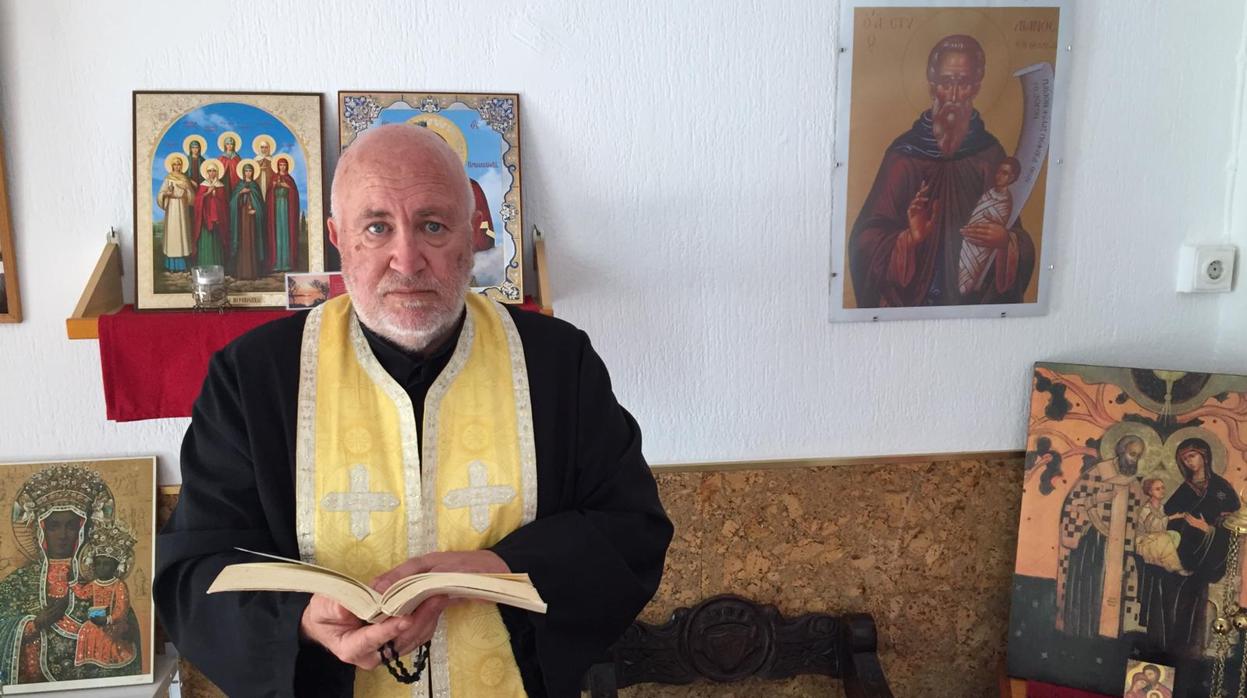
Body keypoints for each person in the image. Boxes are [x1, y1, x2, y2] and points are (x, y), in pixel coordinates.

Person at [155, 123, 672, 697]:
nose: (407, 260)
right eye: (377, 227)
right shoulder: (253, 377)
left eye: (432, 225)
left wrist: (499, 570)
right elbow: (194, 574)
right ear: (337, 238)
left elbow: (631, 531)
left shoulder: (556, 362)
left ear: (472, 235)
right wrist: (300, 620)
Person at [849, 34, 1036, 307]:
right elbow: (865, 241)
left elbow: (1013, 226)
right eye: (947, 82)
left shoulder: (988, 153)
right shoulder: (904, 156)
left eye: (964, 83)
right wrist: (908, 239)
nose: (955, 95)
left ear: (976, 87)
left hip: (970, 302)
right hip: (911, 302)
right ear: (932, 85)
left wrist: (1005, 241)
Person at [0, 465, 141, 684]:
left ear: (82, 529)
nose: (63, 535)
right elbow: (3, 626)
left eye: (71, 526)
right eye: (54, 526)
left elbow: (126, 623)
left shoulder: (99, 574)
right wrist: (35, 623)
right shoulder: (19, 581)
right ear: (41, 529)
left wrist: (119, 628)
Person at [1140, 437, 1239, 656]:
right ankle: (1161, 648)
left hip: (1203, 557)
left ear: (1204, 456)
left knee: (1193, 604)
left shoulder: (1221, 488)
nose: (1189, 463)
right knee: (1167, 602)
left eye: (1192, 456)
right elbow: (1166, 518)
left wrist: (1207, 528)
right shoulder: (1184, 490)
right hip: (1177, 554)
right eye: (1184, 459)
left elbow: (1233, 525)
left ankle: (1187, 652)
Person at [1055, 435, 1146, 639]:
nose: (1133, 460)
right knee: (1089, 584)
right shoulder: (1098, 472)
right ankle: (1081, 632)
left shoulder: (1134, 484)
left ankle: (1108, 633)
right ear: (1121, 451)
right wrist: (1097, 499)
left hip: (1119, 544)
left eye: (1138, 456)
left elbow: (1138, 514)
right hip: (1091, 541)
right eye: (1132, 454)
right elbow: (1074, 503)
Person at [70, 523, 139, 670]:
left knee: (103, 633)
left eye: (106, 565)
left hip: (113, 622)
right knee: (86, 628)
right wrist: (72, 582)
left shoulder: (118, 585)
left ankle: (105, 660)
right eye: (98, 564)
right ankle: (89, 662)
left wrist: (108, 619)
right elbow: (83, 594)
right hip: (96, 617)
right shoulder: (94, 583)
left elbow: (121, 608)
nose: (101, 568)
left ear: (115, 567)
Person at [957, 156, 1020, 296]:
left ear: (1012, 178)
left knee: (967, 280)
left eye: (1004, 173)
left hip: (981, 247)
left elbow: (994, 225)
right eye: (998, 172)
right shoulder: (988, 193)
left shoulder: (1005, 202)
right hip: (966, 242)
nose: (999, 176)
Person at [1134, 479, 1189, 575]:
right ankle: (1177, 568)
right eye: (1157, 489)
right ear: (1150, 492)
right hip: (1145, 542)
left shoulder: (1160, 507)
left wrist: (1174, 517)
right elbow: (1153, 528)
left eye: (1163, 488)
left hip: (1155, 538)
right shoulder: (1146, 509)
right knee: (1165, 538)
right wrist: (1173, 517)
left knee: (1175, 535)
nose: (1162, 491)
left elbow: (1161, 528)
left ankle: (1164, 562)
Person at [229, 161, 266, 280]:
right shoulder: (239, 185)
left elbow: (260, 204)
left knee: (252, 241)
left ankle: (253, 273)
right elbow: (232, 203)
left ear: (253, 172)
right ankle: (241, 272)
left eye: (250, 171)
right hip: (241, 219)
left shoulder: (255, 186)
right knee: (242, 242)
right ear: (243, 172)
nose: (248, 173)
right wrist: (240, 193)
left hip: (252, 219)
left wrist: (256, 211)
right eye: (246, 171)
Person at [157, 153, 194, 272]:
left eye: (179, 164)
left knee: (182, 233)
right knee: (173, 234)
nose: (177, 166)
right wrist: (166, 194)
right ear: (172, 166)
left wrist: (187, 189)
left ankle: (182, 266)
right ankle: (171, 265)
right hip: (172, 207)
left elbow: (191, 197)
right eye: (175, 164)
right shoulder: (168, 178)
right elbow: (161, 193)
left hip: (182, 208)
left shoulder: (184, 179)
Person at [191, 159, 230, 268]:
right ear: (206, 173)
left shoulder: (220, 186)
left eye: (214, 171)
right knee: (206, 243)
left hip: (218, 220)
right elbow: (197, 201)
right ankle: (204, 266)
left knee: (217, 243)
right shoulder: (203, 185)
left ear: (217, 172)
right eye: (209, 171)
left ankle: (217, 266)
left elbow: (225, 204)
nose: (212, 173)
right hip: (204, 220)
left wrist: (216, 195)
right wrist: (207, 193)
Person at [266, 154, 300, 273]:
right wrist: (274, 187)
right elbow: (269, 194)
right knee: (277, 234)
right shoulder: (274, 178)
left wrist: (288, 187)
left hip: (286, 209)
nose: (282, 167)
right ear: (277, 166)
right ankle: (277, 263)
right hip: (276, 209)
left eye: (284, 165)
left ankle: (286, 263)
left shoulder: (290, 180)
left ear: (287, 166)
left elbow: (295, 195)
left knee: (286, 234)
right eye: (280, 165)